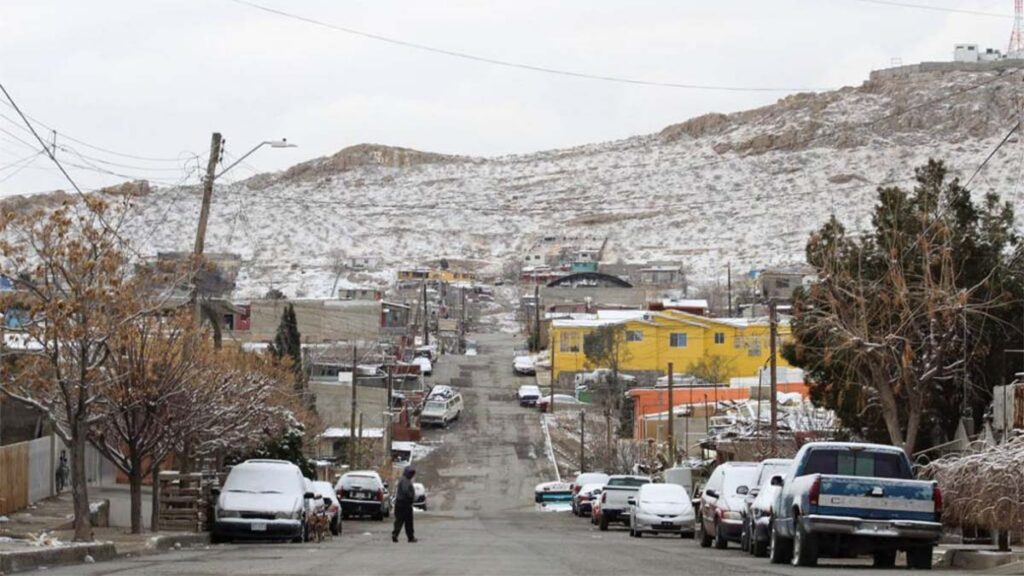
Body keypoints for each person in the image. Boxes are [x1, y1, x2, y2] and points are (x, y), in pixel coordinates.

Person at [392, 466, 417, 543]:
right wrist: (410, 497)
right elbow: (406, 491)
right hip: (404, 504)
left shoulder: (404, 480)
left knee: (399, 521)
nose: (412, 475)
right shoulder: (405, 480)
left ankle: (395, 534)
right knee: (408, 522)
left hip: (400, 503)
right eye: (410, 473)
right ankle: (410, 537)